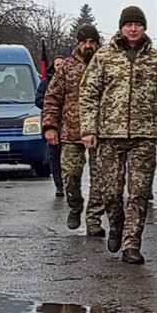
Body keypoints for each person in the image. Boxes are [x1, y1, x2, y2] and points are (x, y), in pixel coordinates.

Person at [80, 6, 157, 265]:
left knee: (139, 192)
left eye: (137, 24)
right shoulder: (104, 57)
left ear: (144, 28)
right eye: (128, 25)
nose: (133, 29)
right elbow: (89, 94)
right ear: (121, 28)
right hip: (109, 135)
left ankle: (132, 244)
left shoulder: (156, 60)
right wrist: (88, 129)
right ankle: (117, 225)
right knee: (110, 192)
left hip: (144, 136)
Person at [42, 26, 106, 235]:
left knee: (100, 179)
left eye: (92, 42)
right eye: (84, 41)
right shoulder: (66, 68)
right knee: (70, 175)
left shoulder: (105, 64)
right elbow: (52, 98)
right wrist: (50, 126)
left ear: (97, 43)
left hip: (101, 132)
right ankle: (75, 206)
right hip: (71, 131)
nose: (88, 45)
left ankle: (94, 218)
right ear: (78, 43)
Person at [36, 56, 65, 197]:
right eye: (57, 64)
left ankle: (69, 182)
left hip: (69, 124)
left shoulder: (71, 80)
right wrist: (51, 103)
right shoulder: (45, 83)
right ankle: (59, 185)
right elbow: (38, 100)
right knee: (54, 156)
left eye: (62, 64)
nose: (59, 67)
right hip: (52, 122)